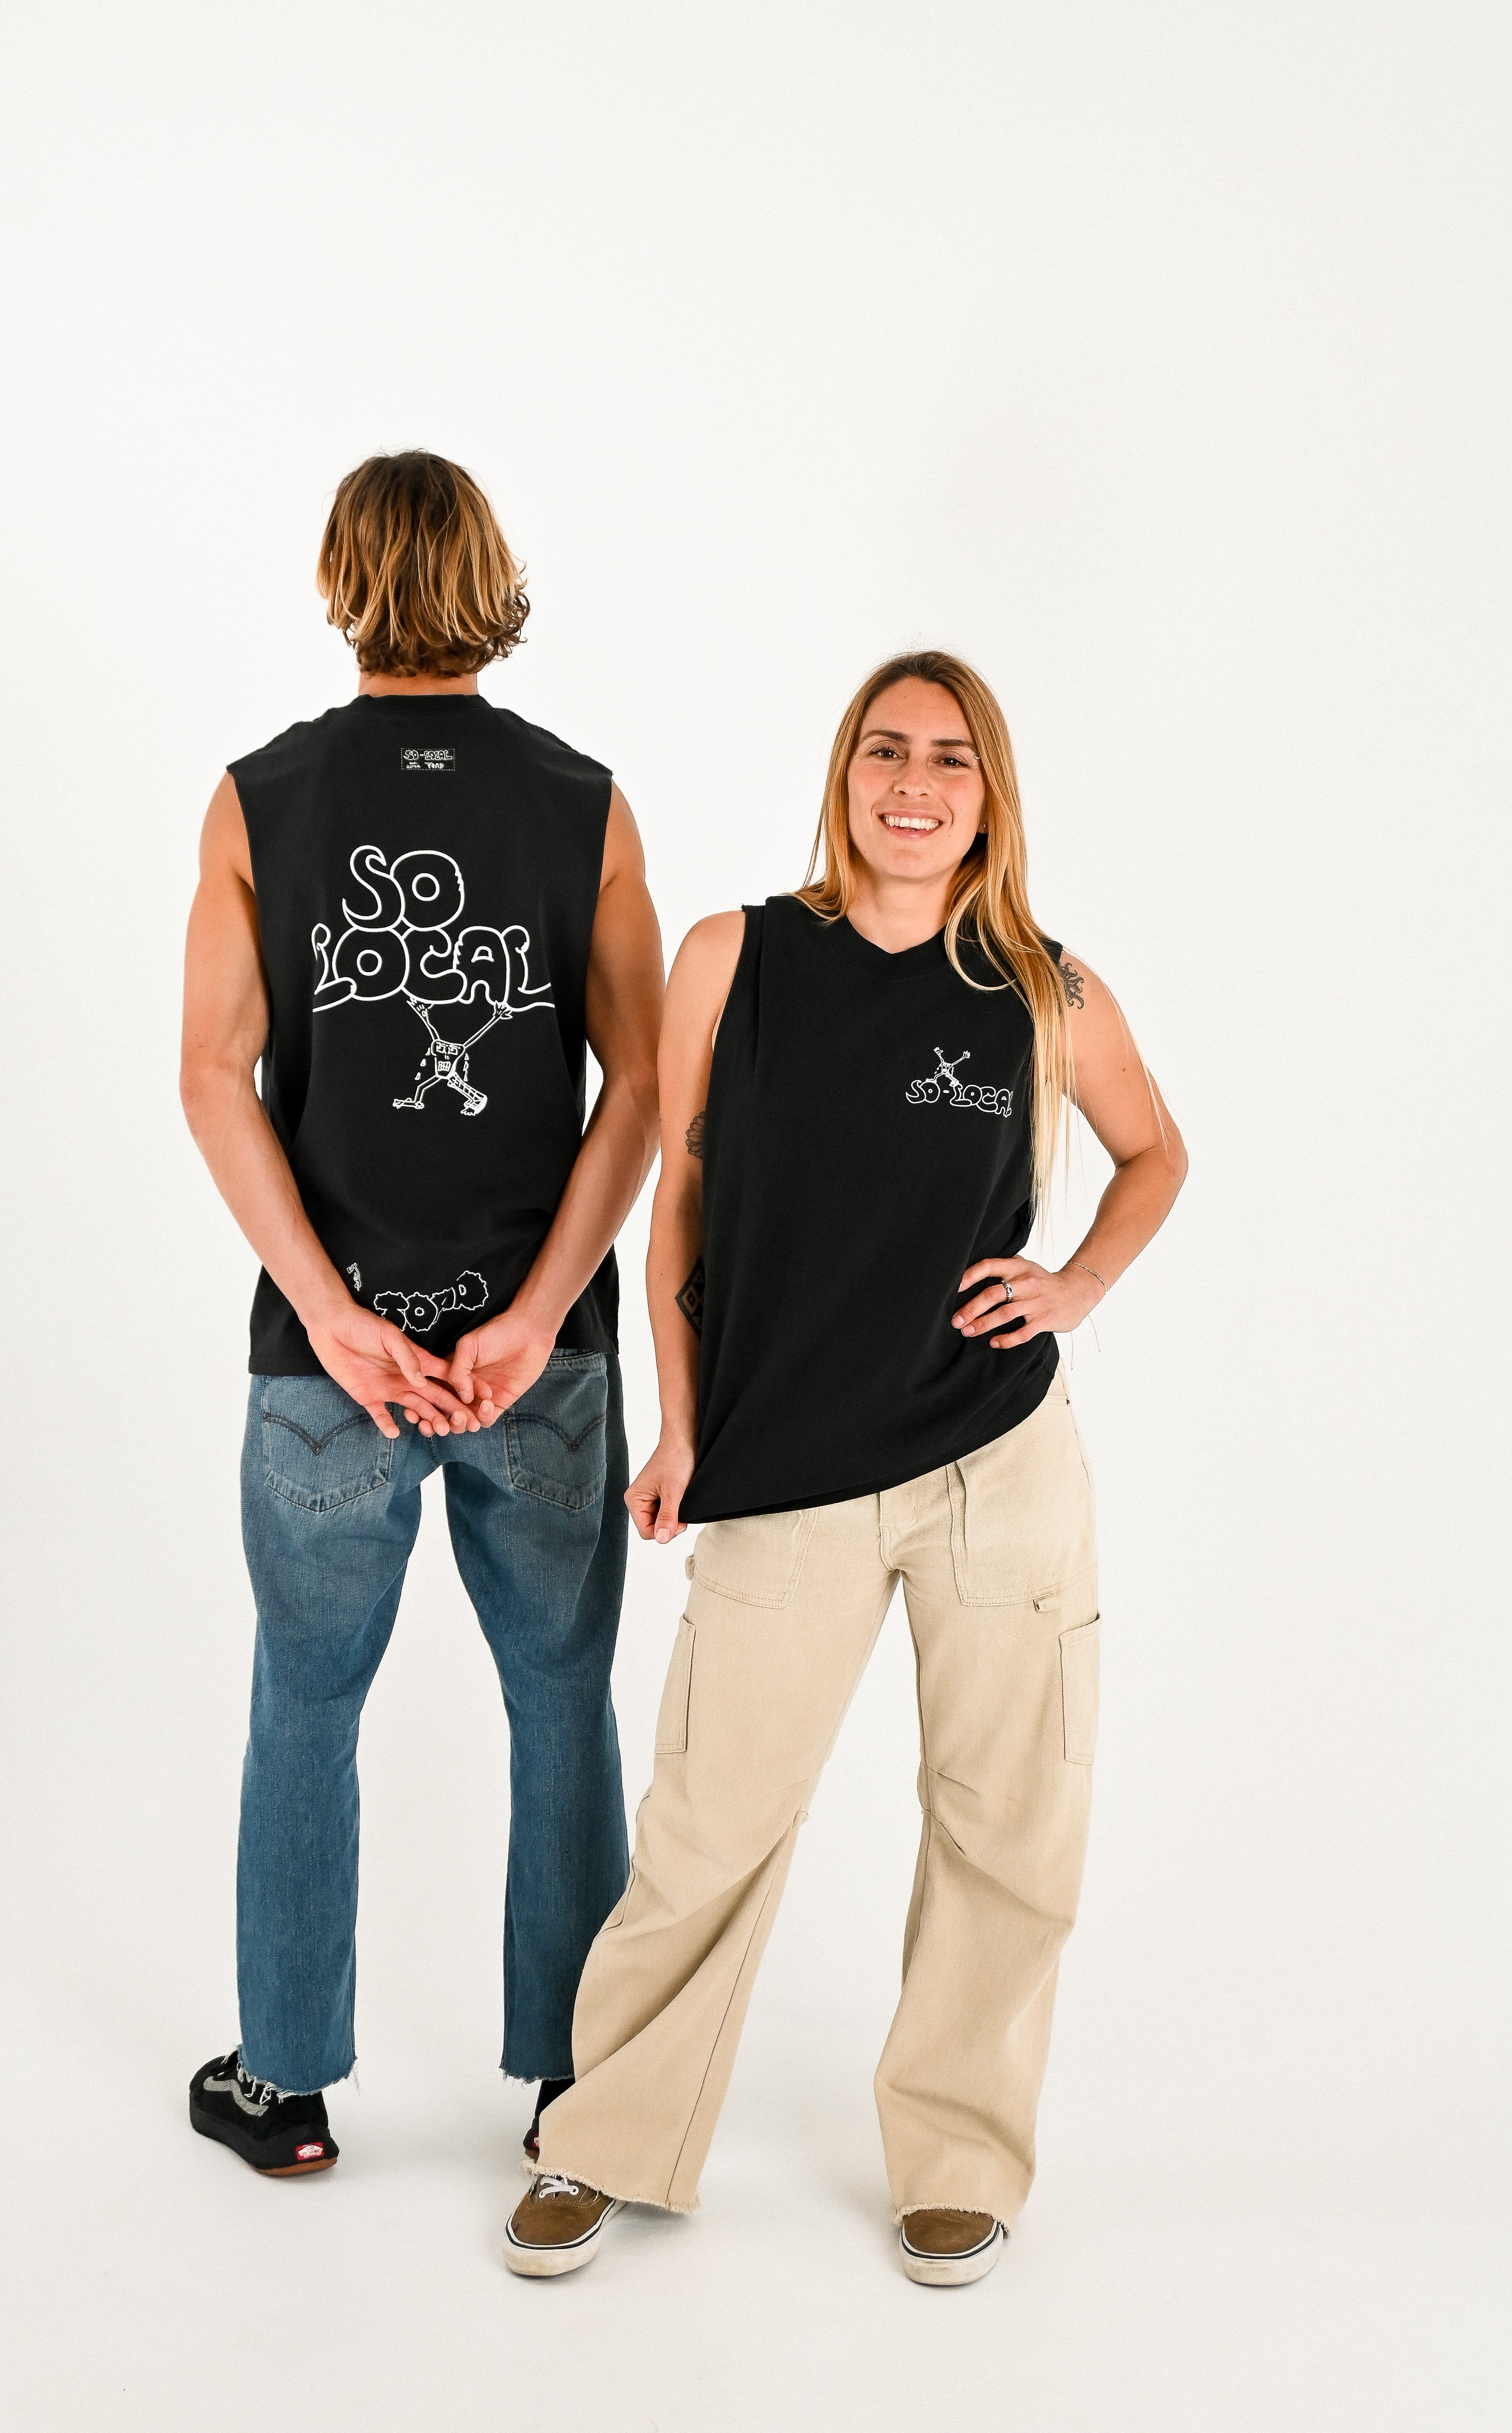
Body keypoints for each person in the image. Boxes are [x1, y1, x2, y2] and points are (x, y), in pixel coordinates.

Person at [504, 648, 1186, 2279]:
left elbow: (1155, 1151)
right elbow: (681, 1202)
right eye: (886, 751)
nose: (913, 784)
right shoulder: (734, 954)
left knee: (1004, 1825)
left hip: (995, 1463)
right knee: (707, 1824)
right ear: (844, 774)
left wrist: (1078, 1284)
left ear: (987, 796)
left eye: (949, 759)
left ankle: (957, 2157)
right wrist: (683, 1425)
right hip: (783, 1464)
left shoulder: (1046, 989)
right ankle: (605, 2133)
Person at [179, 452, 663, 2176]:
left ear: (341, 580)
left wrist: (328, 1312)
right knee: (564, 1703)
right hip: (543, 1358)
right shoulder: (585, 804)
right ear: (491, 576)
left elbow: (212, 1077)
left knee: (303, 1706)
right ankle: (579, 2085)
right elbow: (642, 1087)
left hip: (329, 1362)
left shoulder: (259, 799)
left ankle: (286, 2086)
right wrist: (533, 1316)